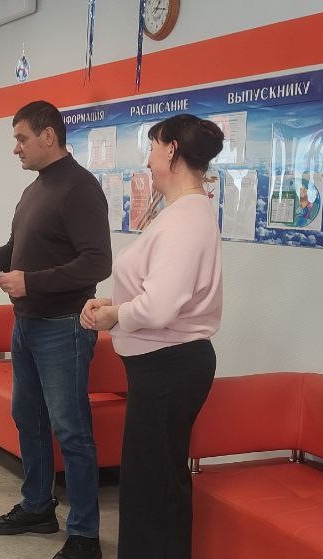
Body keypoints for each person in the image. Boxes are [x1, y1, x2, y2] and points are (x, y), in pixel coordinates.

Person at [0, 100, 112, 559]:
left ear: (48, 136)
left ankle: (85, 535)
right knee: (27, 418)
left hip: (64, 327)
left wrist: (31, 282)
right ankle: (37, 507)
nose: (16, 148)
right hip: (26, 324)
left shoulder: (81, 188)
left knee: (71, 430)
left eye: (21, 138)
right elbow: (14, 251)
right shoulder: (35, 190)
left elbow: (97, 263)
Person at [80, 114, 224, 559]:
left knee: (154, 490)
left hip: (169, 367)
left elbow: (161, 307)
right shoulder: (183, 212)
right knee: (151, 483)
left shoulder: (186, 218)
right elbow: (158, 292)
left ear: (172, 151)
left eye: (153, 147)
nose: (147, 159)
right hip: (163, 366)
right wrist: (115, 305)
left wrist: (114, 315)